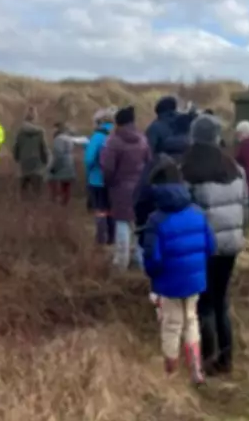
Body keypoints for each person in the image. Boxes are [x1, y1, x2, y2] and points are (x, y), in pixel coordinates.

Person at [181, 113, 248, 376]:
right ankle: (226, 360)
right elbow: (244, 204)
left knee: (204, 303)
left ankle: (208, 361)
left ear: (194, 136)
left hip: (202, 245)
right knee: (221, 301)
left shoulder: (187, 169)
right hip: (231, 244)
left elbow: (182, 208)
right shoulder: (234, 168)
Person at [140, 158, 216, 385]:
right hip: (195, 279)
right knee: (191, 320)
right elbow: (211, 246)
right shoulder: (197, 212)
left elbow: (153, 258)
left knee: (172, 325)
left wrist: (153, 277)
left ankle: (170, 375)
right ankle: (196, 370)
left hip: (168, 283)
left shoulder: (156, 219)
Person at [100, 106, 150, 271]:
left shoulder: (113, 141)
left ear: (118, 122)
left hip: (120, 189)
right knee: (138, 225)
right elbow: (149, 162)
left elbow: (107, 169)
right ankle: (139, 262)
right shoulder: (142, 139)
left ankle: (121, 262)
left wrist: (109, 183)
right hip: (140, 188)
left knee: (122, 224)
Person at [85, 108, 116, 245]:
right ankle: (112, 238)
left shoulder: (97, 136)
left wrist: (90, 171)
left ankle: (100, 240)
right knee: (111, 209)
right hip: (114, 180)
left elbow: (89, 159)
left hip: (97, 179)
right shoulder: (116, 134)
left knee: (100, 210)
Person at [13, 106, 49, 196]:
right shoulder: (40, 133)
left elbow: (16, 148)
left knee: (24, 191)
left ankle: (22, 208)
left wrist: (17, 158)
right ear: (35, 118)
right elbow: (43, 148)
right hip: (37, 163)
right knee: (37, 191)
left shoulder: (20, 132)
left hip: (24, 163)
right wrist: (45, 160)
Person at [48, 122, 77, 205]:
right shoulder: (68, 138)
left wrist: (53, 167)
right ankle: (65, 204)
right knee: (66, 187)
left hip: (62, 165)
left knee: (53, 182)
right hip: (69, 164)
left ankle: (57, 204)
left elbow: (58, 155)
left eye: (53, 128)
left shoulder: (58, 139)